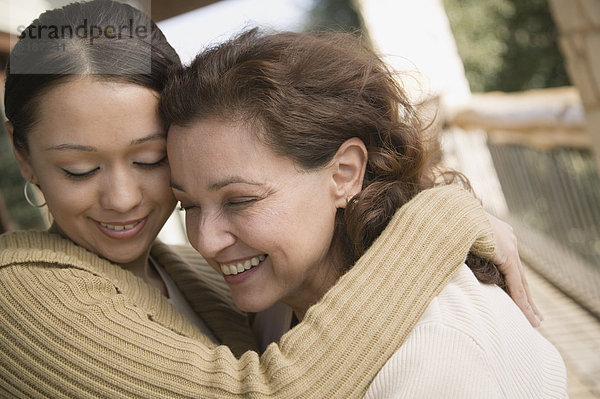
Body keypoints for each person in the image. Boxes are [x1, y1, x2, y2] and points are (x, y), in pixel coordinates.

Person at [0, 1, 539, 397]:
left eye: (149, 160)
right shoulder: (18, 293)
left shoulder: (194, 270)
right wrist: (436, 219)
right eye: (79, 168)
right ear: (23, 156)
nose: (122, 198)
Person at [162, 28, 568, 397]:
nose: (206, 241)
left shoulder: (439, 351)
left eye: (240, 200)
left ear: (344, 174)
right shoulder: (280, 297)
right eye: (189, 206)